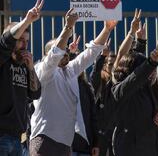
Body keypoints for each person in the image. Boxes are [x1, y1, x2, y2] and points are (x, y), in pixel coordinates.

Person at [30, 8, 117, 156]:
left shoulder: (68, 71)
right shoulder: (43, 70)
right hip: (44, 140)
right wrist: (68, 27)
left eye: (67, 52)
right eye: (62, 51)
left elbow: (90, 54)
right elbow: (54, 55)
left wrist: (107, 30)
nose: (66, 54)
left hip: (65, 144)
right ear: (47, 54)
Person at [0, 0, 43, 156]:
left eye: (26, 41)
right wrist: (27, 21)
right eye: (20, 40)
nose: (24, 45)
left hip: (18, 138)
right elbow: (4, 44)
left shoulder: (23, 65)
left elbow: (35, 93)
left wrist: (31, 69)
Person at [90, 9, 145, 156]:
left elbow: (123, 54)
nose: (111, 66)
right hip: (101, 134)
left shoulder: (119, 81)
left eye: (114, 64)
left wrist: (132, 34)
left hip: (119, 131)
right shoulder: (100, 81)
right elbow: (95, 75)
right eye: (108, 64)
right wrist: (102, 57)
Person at [111, 40, 158, 156]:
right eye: (146, 69)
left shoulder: (149, 90)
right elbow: (135, 78)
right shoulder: (120, 89)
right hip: (130, 149)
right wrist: (150, 62)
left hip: (151, 149)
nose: (151, 73)